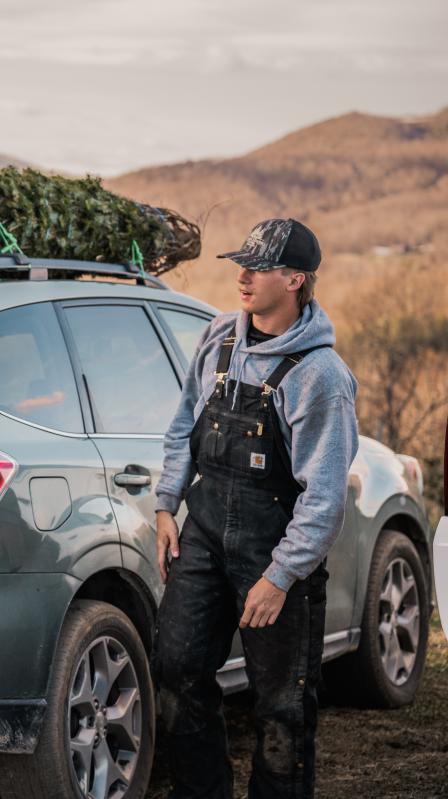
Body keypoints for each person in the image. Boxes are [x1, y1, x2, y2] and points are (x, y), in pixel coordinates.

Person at [152, 219, 359, 799]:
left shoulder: (320, 377)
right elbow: (182, 425)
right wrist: (168, 504)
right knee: (177, 672)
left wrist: (279, 577)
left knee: (282, 709)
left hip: (275, 555)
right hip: (203, 535)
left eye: (258, 267)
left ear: (295, 279)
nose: (241, 276)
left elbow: (323, 498)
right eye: (240, 263)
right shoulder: (218, 337)